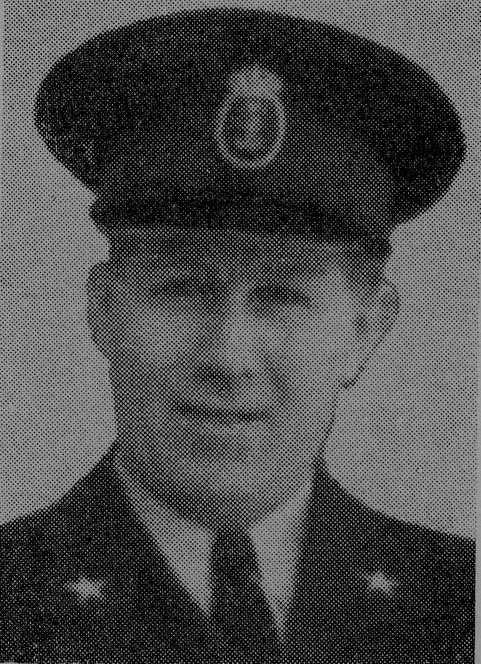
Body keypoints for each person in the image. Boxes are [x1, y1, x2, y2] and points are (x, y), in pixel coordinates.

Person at [0, 8, 475, 664]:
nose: (228, 356)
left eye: (283, 297)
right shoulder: (13, 594)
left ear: (365, 329)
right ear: (104, 308)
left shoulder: (457, 604)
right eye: (183, 289)